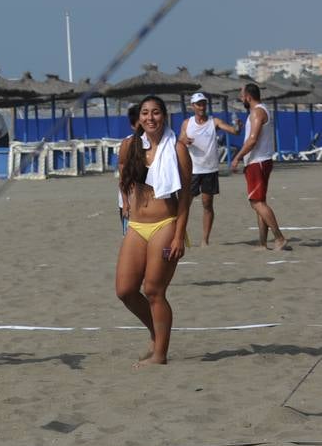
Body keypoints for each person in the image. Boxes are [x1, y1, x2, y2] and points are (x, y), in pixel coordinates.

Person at [115, 95, 192, 369]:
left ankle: (160, 353)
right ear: (139, 117)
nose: (150, 118)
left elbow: (185, 196)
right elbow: (122, 172)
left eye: (156, 112)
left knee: (154, 290)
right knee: (124, 290)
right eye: (146, 113)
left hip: (165, 223)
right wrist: (125, 203)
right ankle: (155, 333)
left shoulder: (178, 149)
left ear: (164, 116)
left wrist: (179, 235)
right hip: (136, 225)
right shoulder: (129, 146)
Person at [230, 83, 289, 250]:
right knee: (259, 201)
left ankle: (279, 238)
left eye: (242, 95)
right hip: (260, 161)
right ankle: (263, 243)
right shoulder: (259, 111)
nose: (241, 98)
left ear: (248, 97)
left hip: (258, 162)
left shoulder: (257, 112)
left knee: (256, 202)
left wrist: (237, 157)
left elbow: (252, 140)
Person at [178, 92, 238, 246]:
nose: (202, 107)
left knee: (207, 204)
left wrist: (237, 126)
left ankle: (205, 240)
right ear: (193, 106)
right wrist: (184, 140)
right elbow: (179, 142)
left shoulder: (214, 121)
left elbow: (233, 131)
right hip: (192, 170)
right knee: (185, 204)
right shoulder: (187, 123)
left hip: (209, 170)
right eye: (198, 104)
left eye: (204, 103)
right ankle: (179, 235)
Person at [116, 104, 140, 236]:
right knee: (130, 239)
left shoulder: (160, 144)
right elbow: (122, 175)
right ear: (133, 126)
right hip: (129, 199)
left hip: (151, 201)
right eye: (139, 124)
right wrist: (125, 202)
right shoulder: (127, 144)